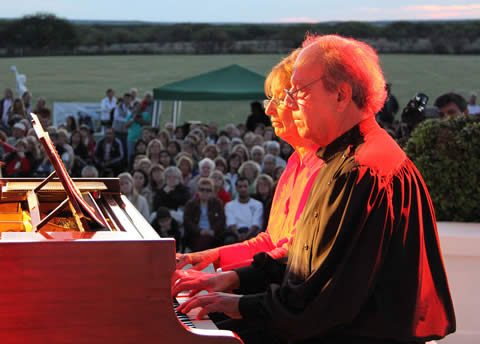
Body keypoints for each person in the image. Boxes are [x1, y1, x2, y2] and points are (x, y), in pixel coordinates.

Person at [173, 34, 455, 344]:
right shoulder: (343, 157)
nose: (288, 104)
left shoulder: (361, 171)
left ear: (341, 95)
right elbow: (309, 257)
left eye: (298, 92)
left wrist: (237, 303)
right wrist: (234, 278)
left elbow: (324, 300)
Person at [176, 47, 323, 271]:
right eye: (269, 100)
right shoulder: (294, 164)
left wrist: (232, 279)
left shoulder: (325, 168)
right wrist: (213, 256)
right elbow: (270, 241)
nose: (269, 110)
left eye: (280, 99)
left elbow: (296, 258)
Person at [183, 178, 226, 252]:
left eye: (208, 190)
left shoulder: (217, 203)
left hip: (213, 234)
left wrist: (212, 230)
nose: (205, 192)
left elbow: (222, 220)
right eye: (202, 189)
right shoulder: (191, 204)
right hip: (196, 234)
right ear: (198, 191)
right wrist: (199, 231)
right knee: (202, 240)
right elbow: (187, 222)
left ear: (212, 192)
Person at [223, 177, 263, 245]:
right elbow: (231, 223)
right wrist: (238, 235)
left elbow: (256, 224)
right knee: (229, 241)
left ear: (249, 187)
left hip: (251, 233)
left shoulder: (258, 204)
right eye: (240, 187)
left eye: (245, 186)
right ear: (236, 189)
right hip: (235, 233)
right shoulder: (229, 205)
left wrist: (246, 236)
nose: (243, 189)